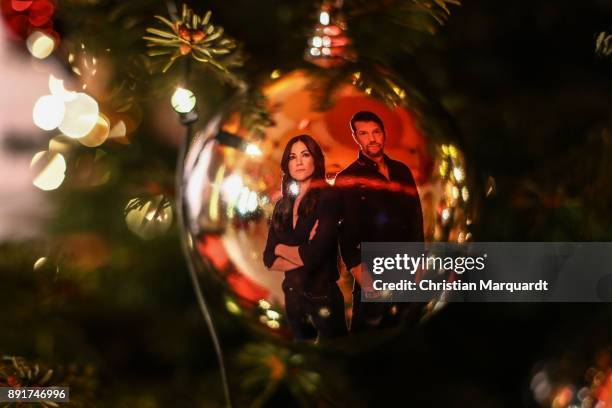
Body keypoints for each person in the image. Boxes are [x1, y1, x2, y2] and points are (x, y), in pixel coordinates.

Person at [335, 111, 424, 333]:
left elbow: (415, 215)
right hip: (372, 270)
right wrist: (357, 268)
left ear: (384, 134)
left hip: (407, 267)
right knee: (367, 338)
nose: (372, 138)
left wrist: (420, 259)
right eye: (364, 133)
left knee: (406, 333)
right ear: (355, 137)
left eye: (376, 132)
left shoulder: (402, 171)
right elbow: (344, 228)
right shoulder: (347, 178)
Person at [263, 134, 348, 341]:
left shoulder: (329, 197)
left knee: (335, 361)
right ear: (287, 163)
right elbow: (268, 258)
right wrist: (302, 252)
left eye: (305, 154)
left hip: (323, 297)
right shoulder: (282, 205)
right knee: (301, 361)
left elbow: (315, 255)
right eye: (292, 157)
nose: (298, 162)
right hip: (292, 297)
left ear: (315, 160)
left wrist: (281, 248)